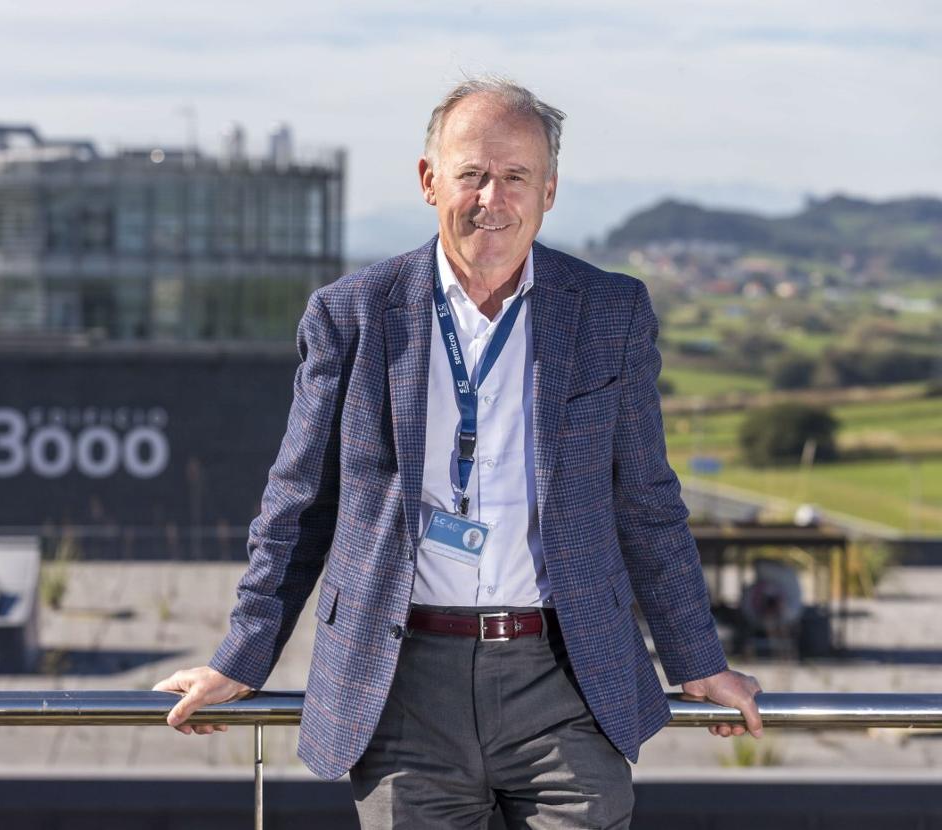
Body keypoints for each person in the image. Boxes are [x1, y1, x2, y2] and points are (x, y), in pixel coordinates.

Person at [154, 75, 762, 829]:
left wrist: (698, 660)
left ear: (549, 191)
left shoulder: (609, 312)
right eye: (471, 173)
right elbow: (299, 506)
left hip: (565, 681)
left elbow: (646, 502)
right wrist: (239, 658)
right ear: (428, 179)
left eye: (515, 177)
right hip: (404, 685)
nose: (491, 198)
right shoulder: (352, 316)